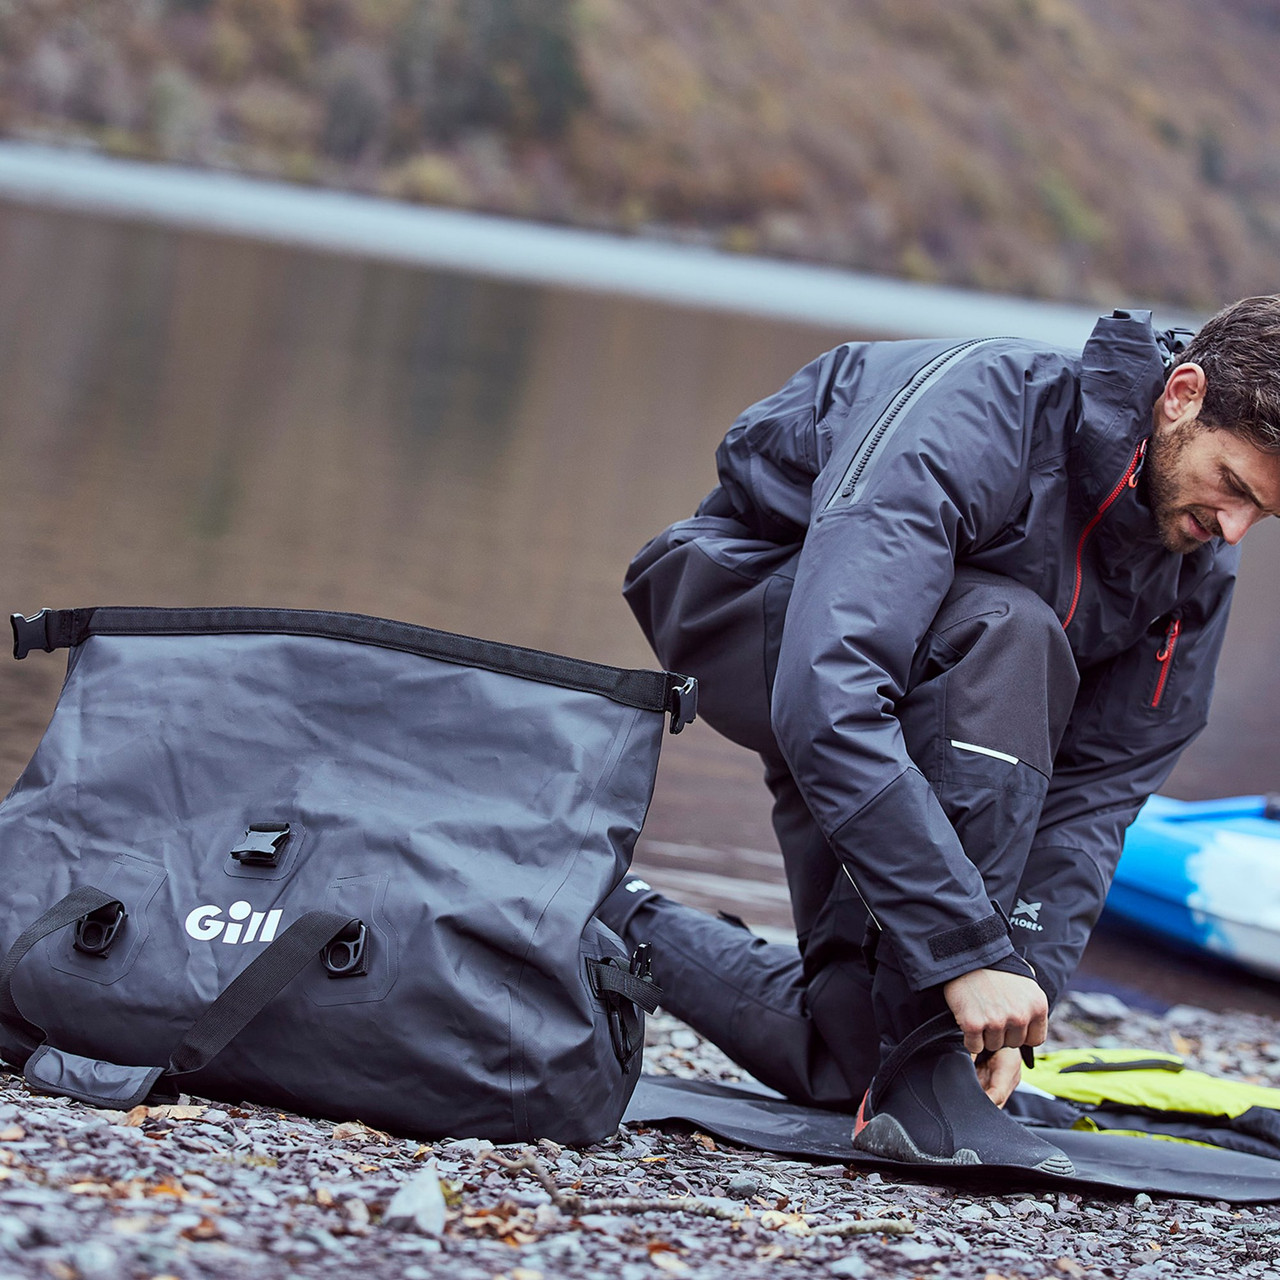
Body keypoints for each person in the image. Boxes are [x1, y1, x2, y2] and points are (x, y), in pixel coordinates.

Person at [601, 298, 1280, 1171]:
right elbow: (832, 692)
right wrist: (964, 953)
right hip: (755, 614)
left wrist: (1016, 991)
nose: (1233, 531)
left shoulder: (1192, 559)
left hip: (948, 705)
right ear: (1182, 395)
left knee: (850, 1056)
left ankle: (609, 908)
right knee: (1013, 629)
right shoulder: (984, 412)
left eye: (1264, 515)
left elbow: (1099, 793)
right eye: (1234, 487)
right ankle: (927, 1057)